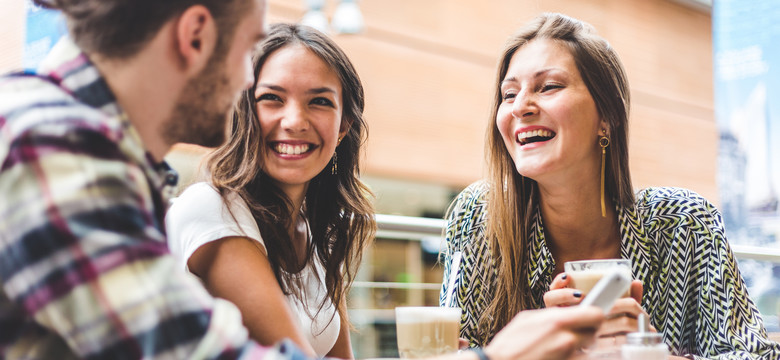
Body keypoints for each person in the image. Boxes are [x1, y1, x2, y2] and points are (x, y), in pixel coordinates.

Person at [0, 1, 604, 359]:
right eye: (247, 60)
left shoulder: (96, 152)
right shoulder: (55, 148)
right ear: (194, 36)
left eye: (318, 102)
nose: (244, 87)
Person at [439, 12, 780, 360]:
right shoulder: (477, 216)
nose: (520, 107)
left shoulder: (685, 223)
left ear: (607, 117)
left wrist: (649, 353)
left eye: (549, 86)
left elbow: (756, 356)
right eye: (508, 94)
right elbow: (448, 349)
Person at [165, 23, 372, 358]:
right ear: (243, 110)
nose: (294, 121)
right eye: (271, 98)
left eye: (319, 101)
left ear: (344, 125)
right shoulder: (213, 211)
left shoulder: (318, 231)